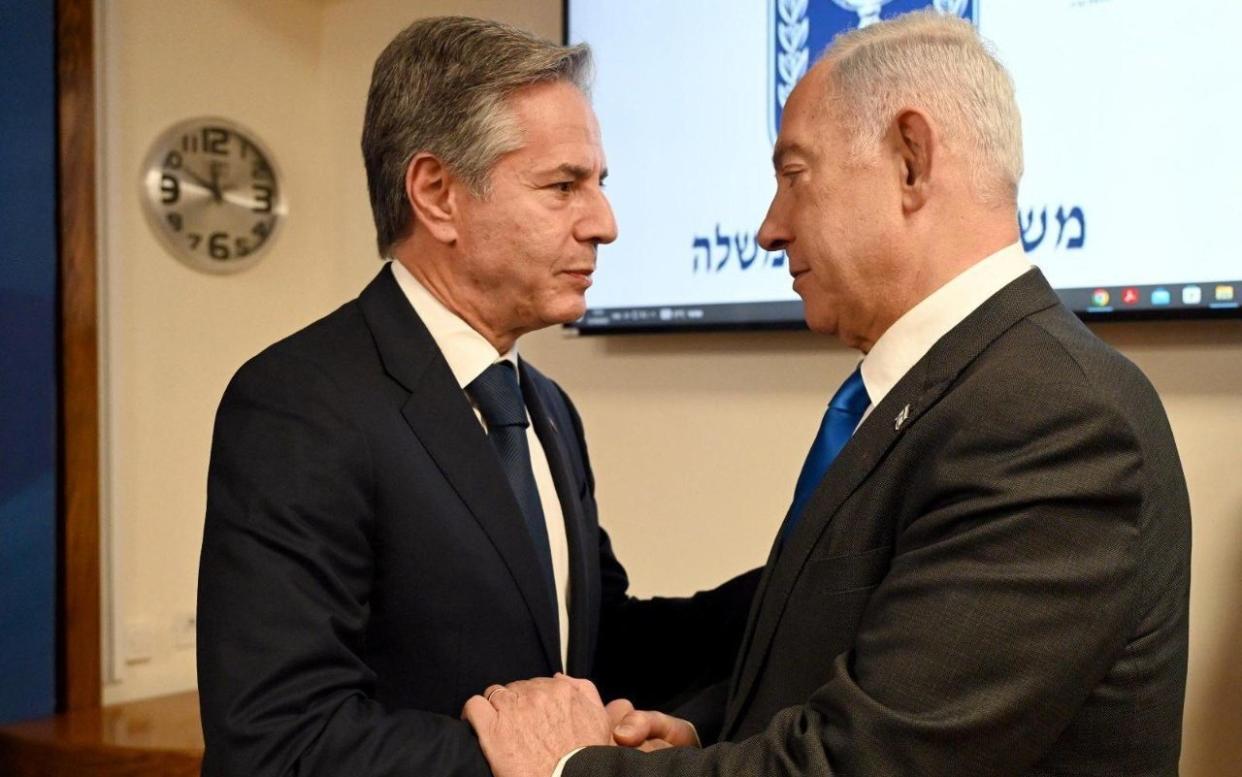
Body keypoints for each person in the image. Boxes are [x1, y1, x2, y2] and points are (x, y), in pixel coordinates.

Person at [463, 11, 1191, 777]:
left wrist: (567, 766)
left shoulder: (1054, 419)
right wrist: (704, 730)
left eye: (793, 176)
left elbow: (864, 761)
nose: (769, 229)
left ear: (911, 161)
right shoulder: (949, 391)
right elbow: (861, 663)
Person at [196, 16, 757, 777]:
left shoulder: (546, 407)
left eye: (600, 184)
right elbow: (277, 738)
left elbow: (594, 646)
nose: (606, 224)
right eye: (564, 185)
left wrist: (803, 575)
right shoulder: (300, 404)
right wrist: (545, 761)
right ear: (437, 194)